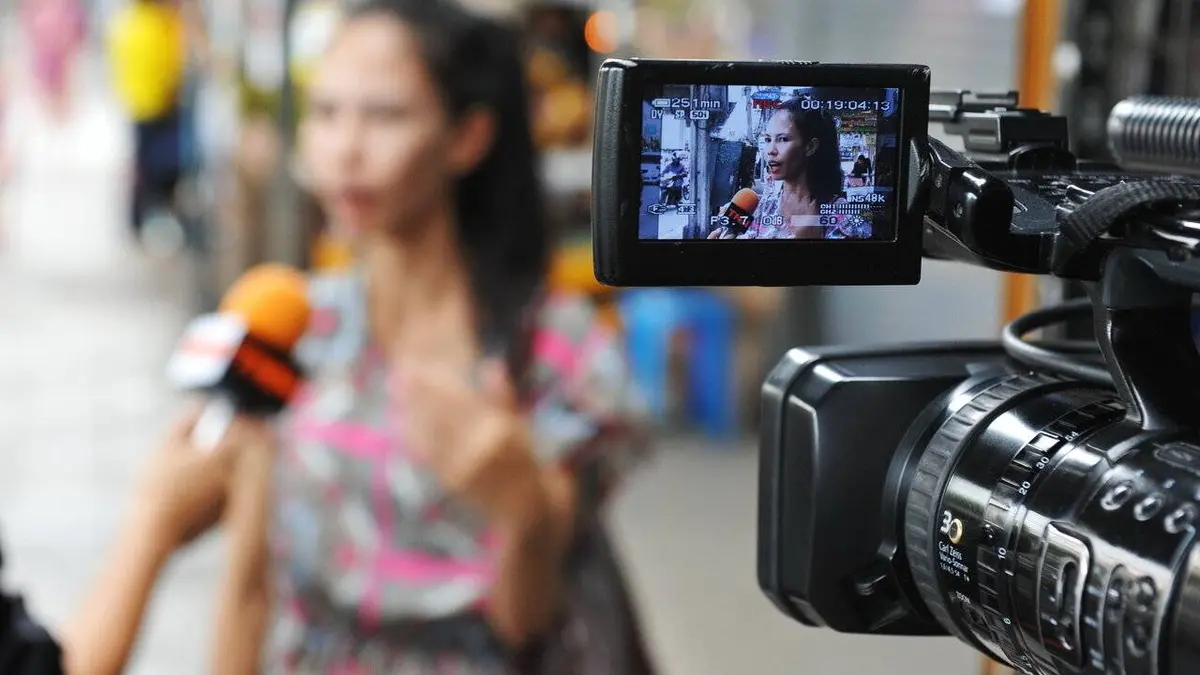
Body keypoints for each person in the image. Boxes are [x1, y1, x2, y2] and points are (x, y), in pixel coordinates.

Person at [210, 1, 650, 672]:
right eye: (327, 112)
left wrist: (523, 502)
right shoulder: (293, 323)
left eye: (384, 115)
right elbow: (249, 585)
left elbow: (524, 618)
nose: (346, 149)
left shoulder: (559, 352)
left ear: (468, 136)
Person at [106, 0, 209, 245]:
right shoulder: (149, 22)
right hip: (152, 104)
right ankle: (145, 218)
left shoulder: (143, 21)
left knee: (151, 165)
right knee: (153, 167)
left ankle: (145, 218)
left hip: (150, 103)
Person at [709, 99, 845, 240]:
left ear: (810, 147)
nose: (770, 151)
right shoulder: (762, 207)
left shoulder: (839, 214)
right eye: (768, 140)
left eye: (783, 139)